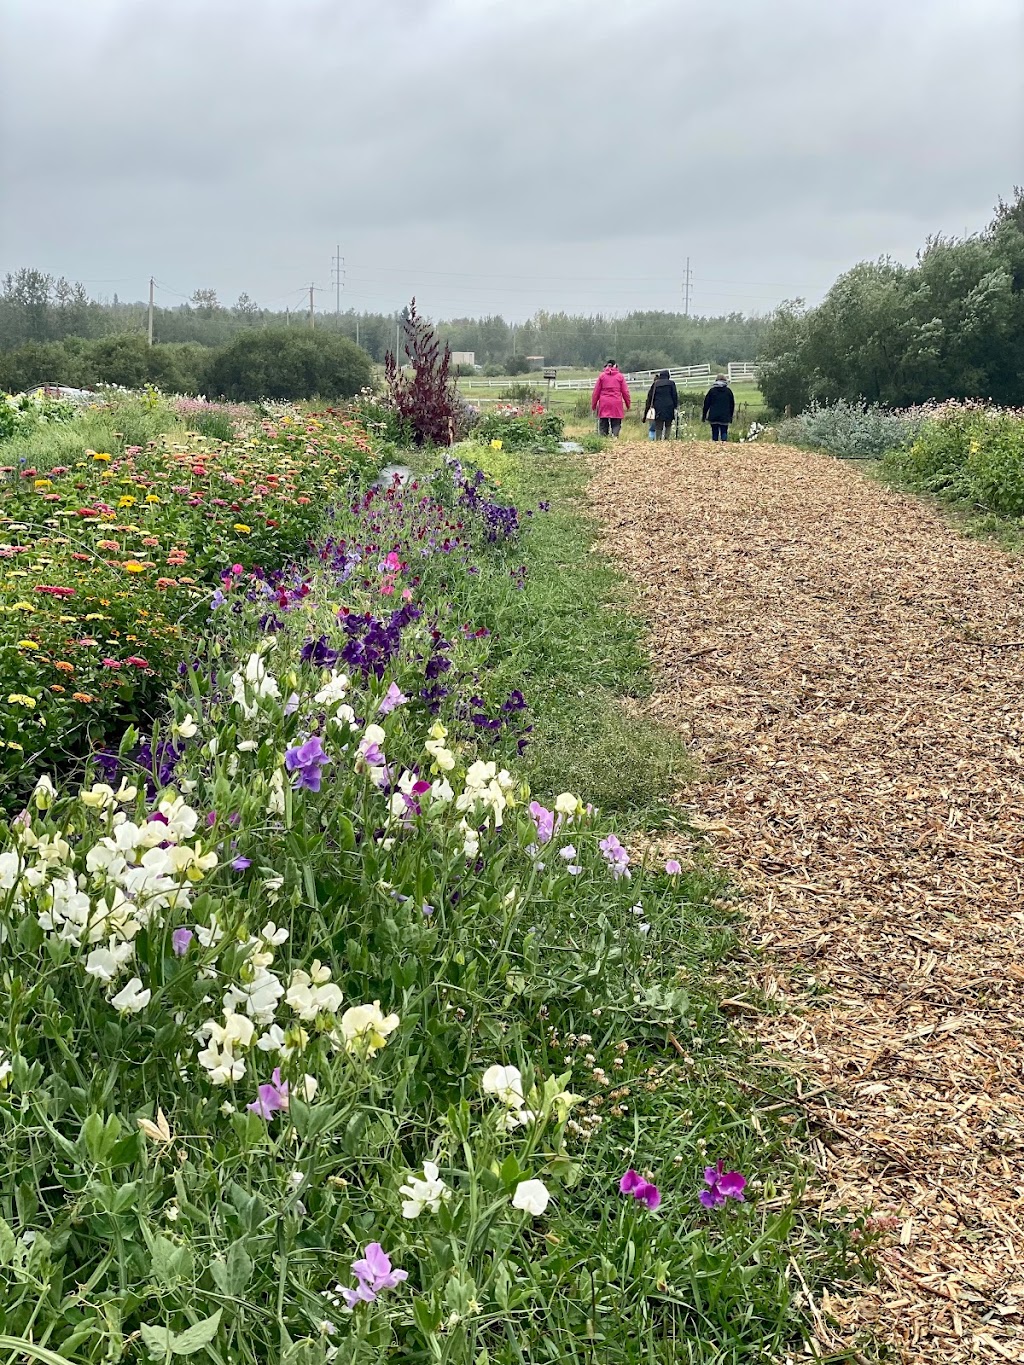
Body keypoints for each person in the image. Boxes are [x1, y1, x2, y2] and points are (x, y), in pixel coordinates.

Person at [591, 359, 631, 437]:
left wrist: (593, 405)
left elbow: (596, 392)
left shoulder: (602, 376)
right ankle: (615, 437)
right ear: (615, 365)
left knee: (603, 423)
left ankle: (604, 439)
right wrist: (628, 404)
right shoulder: (620, 376)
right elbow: (625, 392)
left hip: (604, 403)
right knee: (616, 423)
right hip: (616, 403)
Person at [643, 369, 679, 440]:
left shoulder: (655, 384)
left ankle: (658, 441)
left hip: (658, 407)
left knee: (659, 425)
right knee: (668, 424)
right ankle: (667, 439)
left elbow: (650, 398)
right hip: (669, 406)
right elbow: (674, 396)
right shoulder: (671, 383)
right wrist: (675, 406)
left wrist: (646, 413)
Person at [702, 374, 735, 442]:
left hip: (714, 416)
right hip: (725, 416)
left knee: (715, 433)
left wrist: (704, 416)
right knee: (724, 432)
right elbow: (732, 405)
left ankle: (715, 447)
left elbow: (706, 404)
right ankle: (724, 446)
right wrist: (730, 417)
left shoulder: (712, 391)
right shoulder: (728, 391)